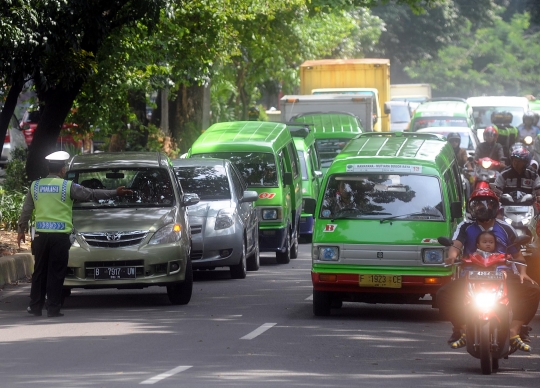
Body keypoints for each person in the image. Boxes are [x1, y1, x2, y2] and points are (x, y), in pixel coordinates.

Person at [17, 151, 133, 318]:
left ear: (48, 167)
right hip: (59, 236)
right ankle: (53, 308)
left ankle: (35, 306)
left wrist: (21, 230)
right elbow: (92, 193)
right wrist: (115, 192)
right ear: (63, 170)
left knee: (39, 271)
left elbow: (26, 210)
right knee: (56, 272)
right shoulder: (68, 186)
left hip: (41, 236)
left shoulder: (35, 186)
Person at [436, 188, 540, 352]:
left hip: (503, 275)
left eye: (488, 204)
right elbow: (456, 245)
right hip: (470, 275)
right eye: (478, 205)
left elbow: (518, 256)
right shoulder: (465, 227)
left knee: (533, 290)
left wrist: (523, 273)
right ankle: (461, 328)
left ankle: (516, 330)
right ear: (472, 207)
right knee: (443, 294)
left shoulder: (506, 228)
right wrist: (452, 256)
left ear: (495, 207)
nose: (483, 208)